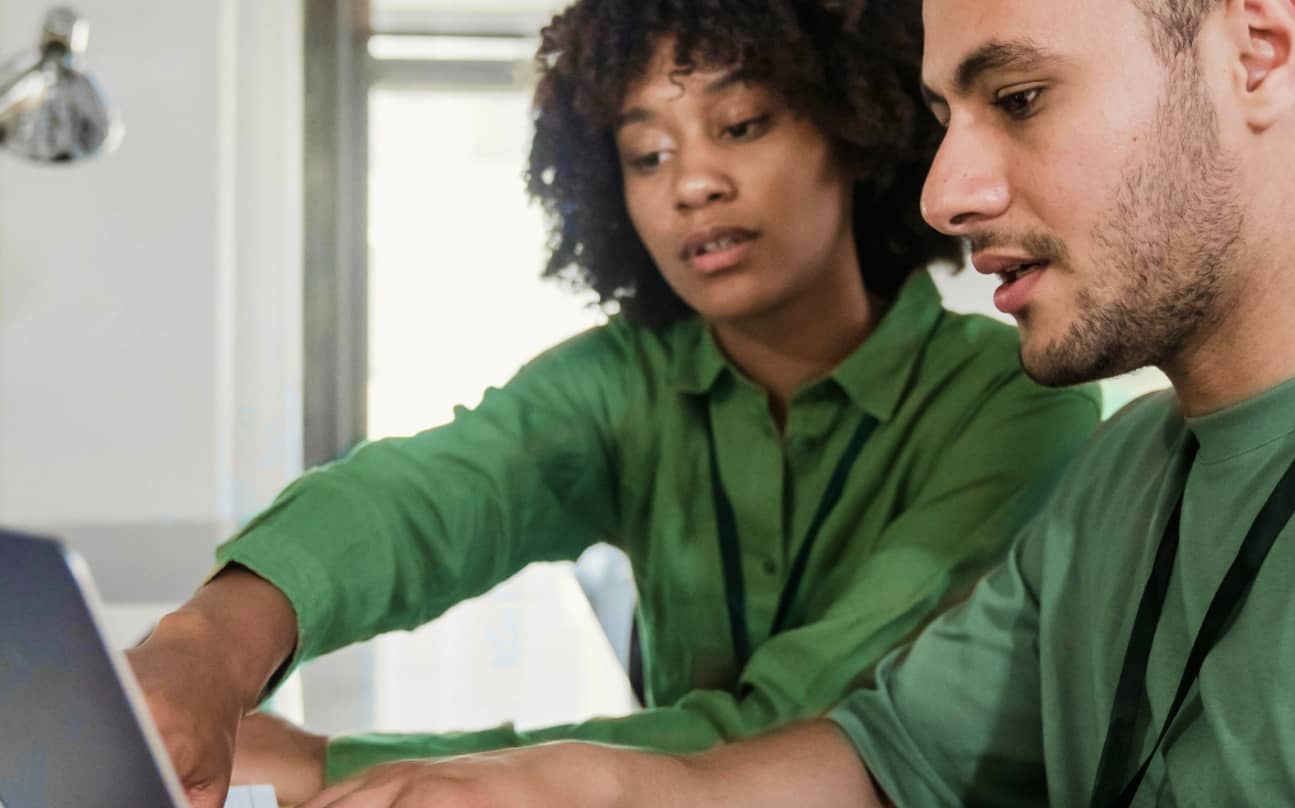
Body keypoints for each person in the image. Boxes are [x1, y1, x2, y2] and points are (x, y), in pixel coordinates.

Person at [272, 0, 1295, 805]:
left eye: (1020, 96)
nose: (947, 192)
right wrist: (588, 784)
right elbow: (883, 760)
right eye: (943, 121)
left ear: (1258, 50)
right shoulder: (1123, 473)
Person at [125, 1, 1102, 806]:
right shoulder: (626, 381)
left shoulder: (1015, 400)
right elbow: (431, 496)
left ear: (853, 129)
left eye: (742, 124)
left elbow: (810, 728)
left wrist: (330, 764)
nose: (693, 184)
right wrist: (208, 643)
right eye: (645, 154)